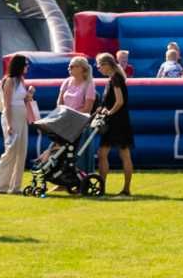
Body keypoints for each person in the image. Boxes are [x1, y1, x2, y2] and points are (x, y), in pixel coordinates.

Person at [0, 55, 38, 194]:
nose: (27, 67)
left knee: (21, 152)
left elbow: (23, 99)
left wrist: (30, 93)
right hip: (11, 117)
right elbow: (7, 105)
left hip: (22, 116)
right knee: (10, 151)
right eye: (25, 65)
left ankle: (15, 187)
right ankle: (1, 186)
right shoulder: (9, 81)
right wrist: (9, 125)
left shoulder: (21, 80)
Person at [95, 52, 135, 196]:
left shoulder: (115, 79)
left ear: (107, 65)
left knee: (103, 153)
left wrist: (109, 113)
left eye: (99, 65)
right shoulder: (116, 78)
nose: (98, 68)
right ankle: (125, 188)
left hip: (116, 122)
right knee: (124, 153)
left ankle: (104, 186)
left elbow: (119, 101)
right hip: (121, 120)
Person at [58, 56, 100, 175]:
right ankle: (61, 180)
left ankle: (78, 177)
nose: (69, 68)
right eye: (69, 66)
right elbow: (59, 102)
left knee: (76, 152)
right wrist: (63, 114)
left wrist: (71, 115)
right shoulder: (66, 82)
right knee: (61, 150)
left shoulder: (89, 84)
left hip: (80, 123)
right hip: (65, 121)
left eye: (72, 66)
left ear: (82, 69)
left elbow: (88, 108)